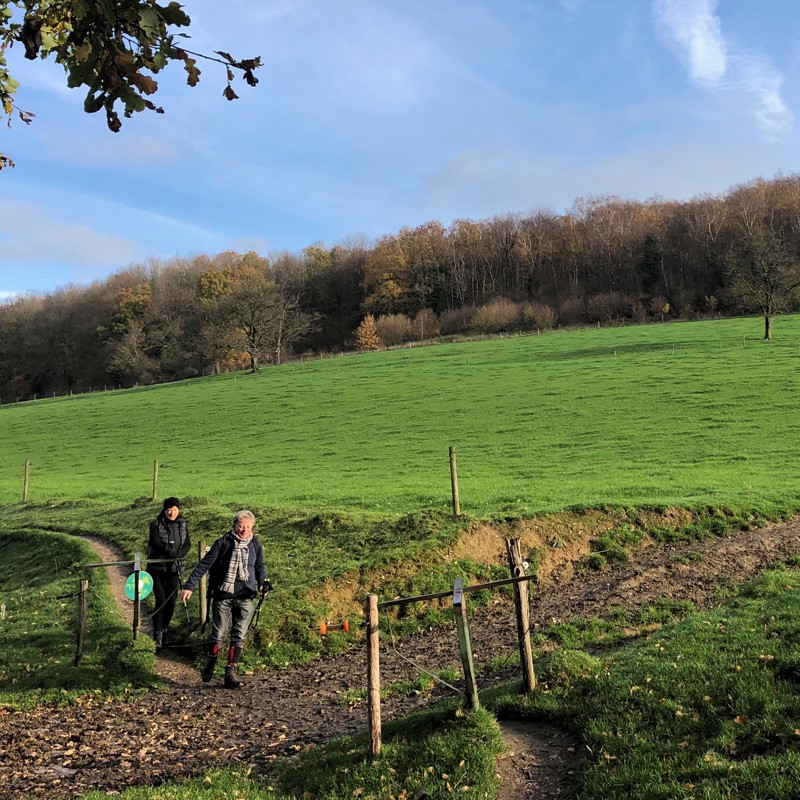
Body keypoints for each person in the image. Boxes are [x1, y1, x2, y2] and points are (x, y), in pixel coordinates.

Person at [180, 509, 269, 689]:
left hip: (246, 596)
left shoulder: (256, 545)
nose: (244, 530)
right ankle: (212, 659)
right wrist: (190, 586)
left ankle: (230, 671)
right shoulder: (223, 543)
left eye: (248, 527)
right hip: (223, 595)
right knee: (219, 633)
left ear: (253, 527)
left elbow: (260, 567)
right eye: (241, 526)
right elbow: (204, 564)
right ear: (234, 526)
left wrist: (262, 583)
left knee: (239, 635)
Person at [147, 496, 191, 651]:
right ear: (164, 510)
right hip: (158, 568)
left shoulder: (183, 524)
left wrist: (180, 553)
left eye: (174, 509)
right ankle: (157, 633)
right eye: (168, 509)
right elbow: (156, 542)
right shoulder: (156, 524)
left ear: (178, 510)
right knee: (161, 599)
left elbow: (187, 543)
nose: (171, 512)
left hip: (174, 568)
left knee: (171, 601)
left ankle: (165, 629)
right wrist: (168, 551)